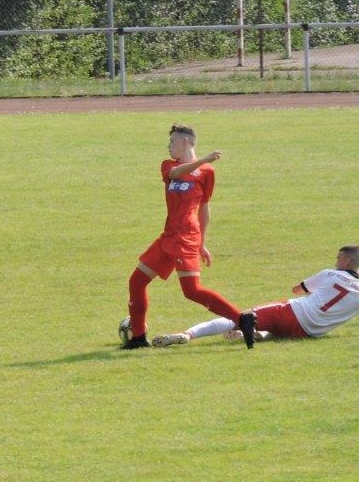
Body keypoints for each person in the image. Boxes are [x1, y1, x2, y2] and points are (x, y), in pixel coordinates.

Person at [122, 124, 255, 349]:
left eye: (172, 141)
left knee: (192, 291)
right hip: (168, 236)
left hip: (186, 237)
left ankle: (242, 319)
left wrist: (202, 243)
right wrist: (203, 160)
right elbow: (176, 174)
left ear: (185, 142)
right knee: (137, 282)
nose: (168, 146)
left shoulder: (207, 172)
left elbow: (204, 207)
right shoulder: (169, 166)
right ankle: (138, 337)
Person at [152, 245, 359, 347]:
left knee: (239, 317)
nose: (336, 262)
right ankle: (257, 334)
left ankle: (188, 334)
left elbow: (297, 289)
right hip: (308, 333)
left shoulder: (330, 274)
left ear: (347, 262)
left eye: (338, 259)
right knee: (277, 332)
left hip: (291, 312)